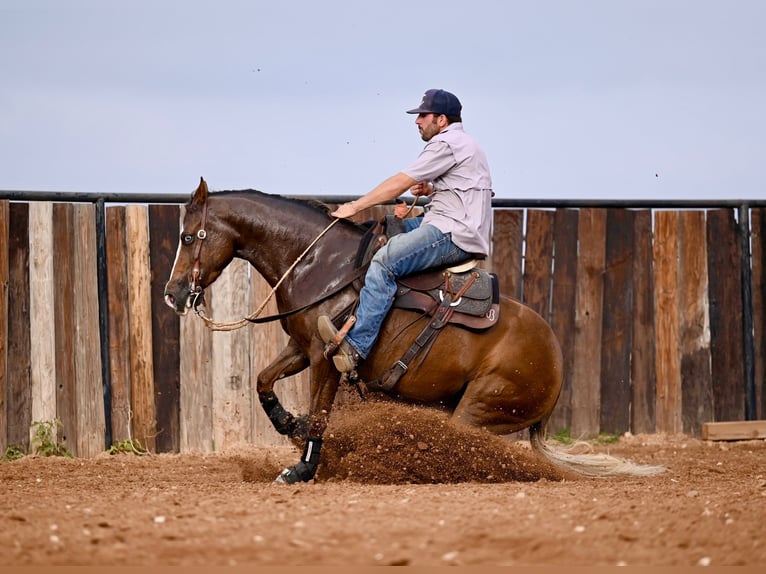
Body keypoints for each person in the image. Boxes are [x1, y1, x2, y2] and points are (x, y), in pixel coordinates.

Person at [318, 88, 494, 372]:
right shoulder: (465, 144)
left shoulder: (446, 144)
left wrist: (355, 206)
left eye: (423, 115)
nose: (417, 121)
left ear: (441, 120)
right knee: (383, 229)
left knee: (384, 263)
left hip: (452, 234)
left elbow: (400, 182)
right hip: (450, 223)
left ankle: (357, 347)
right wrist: (433, 189)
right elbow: (465, 191)